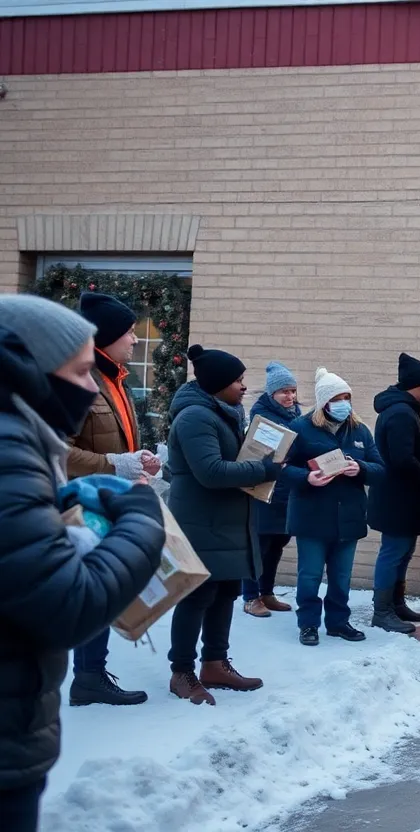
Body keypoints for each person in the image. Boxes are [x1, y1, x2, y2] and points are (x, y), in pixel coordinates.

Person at [0, 297, 165, 831]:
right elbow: (67, 605)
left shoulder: (22, 441)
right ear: (29, 371)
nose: (90, 388)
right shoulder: (10, 452)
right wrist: (141, 520)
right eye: (77, 372)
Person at [167, 345, 280, 705]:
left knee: (226, 592)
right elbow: (211, 472)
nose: (244, 386)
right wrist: (263, 469)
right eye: (237, 380)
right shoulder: (195, 417)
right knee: (198, 596)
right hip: (201, 523)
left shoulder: (224, 413)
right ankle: (181, 672)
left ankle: (215, 663)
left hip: (227, 522)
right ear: (217, 383)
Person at [66, 292, 162, 707]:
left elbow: (116, 445)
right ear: (105, 336)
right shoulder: (77, 380)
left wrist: (139, 462)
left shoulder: (115, 380)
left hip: (109, 504)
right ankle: (86, 678)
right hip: (81, 509)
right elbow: (55, 449)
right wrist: (114, 464)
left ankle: (90, 675)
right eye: (129, 332)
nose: (136, 340)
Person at [281, 368, 385, 646]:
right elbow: (278, 467)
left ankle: (338, 622)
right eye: (337, 399)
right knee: (310, 575)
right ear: (323, 402)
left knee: (341, 576)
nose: (343, 404)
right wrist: (306, 477)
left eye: (346, 397)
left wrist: (360, 468)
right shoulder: (300, 428)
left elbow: (380, 469)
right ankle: (308, 624)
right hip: (312, 516)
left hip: (348, 516)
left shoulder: (359, 430)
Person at [368, 352, 420, 634]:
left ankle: (397, 603)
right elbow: (403, 459)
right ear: (416, 385)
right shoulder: (400, 413)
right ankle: (382, 611)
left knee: (404, 551)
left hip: (405, 498)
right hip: (397, 499)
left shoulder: (406, 410)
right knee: (394, 552)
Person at [242, 362, 300, 619]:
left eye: (293, 391)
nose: (290, 396)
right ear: (272, 393)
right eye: (284, 391)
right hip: (265, 490)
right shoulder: (261, 417)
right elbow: (254, 454)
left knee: (278, 542)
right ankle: (250, 596)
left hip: (286, 490)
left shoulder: (296, 415)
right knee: (259, 545)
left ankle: (267, 592)